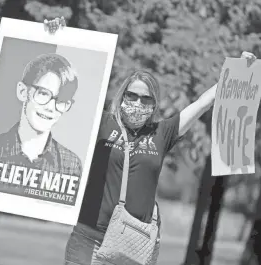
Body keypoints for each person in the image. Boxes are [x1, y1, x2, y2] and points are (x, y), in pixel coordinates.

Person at [44, 18, 257, 265]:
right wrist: (56, 36)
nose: (137, 103)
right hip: (88, 238)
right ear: (121, 96)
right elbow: (67, 87)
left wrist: (240, 71)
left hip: (132, 244)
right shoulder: (102, 123)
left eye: (145, 99)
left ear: (154, 104)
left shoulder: (162, 132)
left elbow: (202, 103)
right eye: (131, 96)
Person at [0, 53, 82, 265]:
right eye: (43, 94)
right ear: (23, 91)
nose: (50, 106)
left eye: (61, 100)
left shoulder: (71, 163)